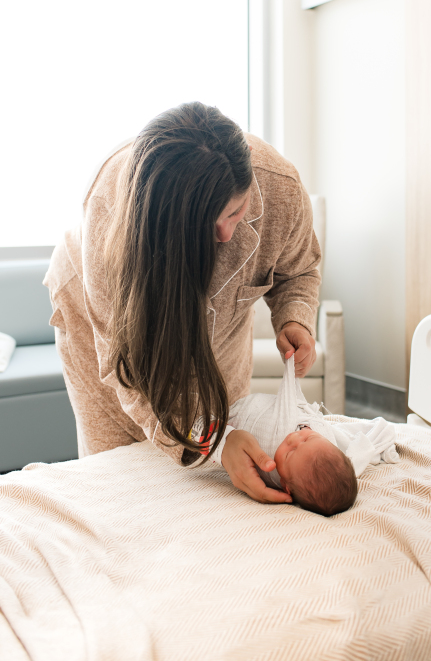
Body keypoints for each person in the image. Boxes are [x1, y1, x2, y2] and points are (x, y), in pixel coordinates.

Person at [44, 101, 321, 506]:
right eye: (207, 225)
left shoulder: (280, 188)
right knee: (121, 481)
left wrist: (295, 317)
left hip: (221, 338)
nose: (225, 234)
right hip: (103, 328)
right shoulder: (109, 215)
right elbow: (130, 377)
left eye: (235, 211)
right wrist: (216, 443)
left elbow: (298, 271)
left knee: (216, 482)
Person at [191, 357, 400, 516]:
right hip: (279, 409)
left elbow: (288, 396)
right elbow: (355, 453)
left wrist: (290, 363)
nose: (294, 438)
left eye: (290, 454)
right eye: (308, 438)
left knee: (196, 428)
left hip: (237, 414)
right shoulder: (332, 447)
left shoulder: (270, 467)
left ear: (286, 486)